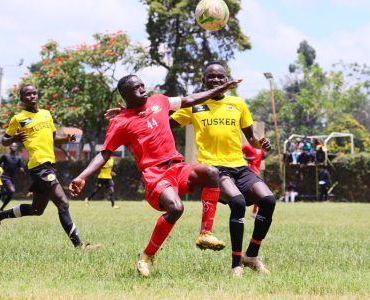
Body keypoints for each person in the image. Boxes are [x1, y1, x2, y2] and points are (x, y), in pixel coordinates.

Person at [70, 74, 241, 277]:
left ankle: (205, 233)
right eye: (136, 88)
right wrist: (83, 176)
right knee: (176, 208)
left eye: (143, 84)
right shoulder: (120, 122)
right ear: (125, 95)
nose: (143, 89)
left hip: (178, 166)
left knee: (211, 172)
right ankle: (147, 256)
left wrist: (219, 90)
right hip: (155, 174)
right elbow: (104, 153)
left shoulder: (159, 100)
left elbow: (189, 100)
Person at [169, 61, 276, 278]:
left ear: (226, 79)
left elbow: (252, 137)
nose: (216, 80)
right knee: (237, 203)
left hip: (239, 165)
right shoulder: (194, 105)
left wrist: (260, 143)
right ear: (204, 80)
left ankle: (251, 256)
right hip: (214, 169)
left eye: (220, 76)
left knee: (268, 201)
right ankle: (236, 264)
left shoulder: (237, 103)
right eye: (211, 76)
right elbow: (167, 123)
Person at [0, 84, 99, 250]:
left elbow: (53, 138)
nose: (32, 96)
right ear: (22, 99)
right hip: (39, 166)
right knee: (63, 203)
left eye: (34, 93)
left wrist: (67, 140)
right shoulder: (18, 118)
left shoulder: (46, 114)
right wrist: (14, 138)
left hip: (48, 165)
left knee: (36, 209)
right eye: (27, 94)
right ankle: (80, 246)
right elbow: (4, 140)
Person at [0, 142, 25, 211]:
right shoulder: (5, 156)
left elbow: (21, 167)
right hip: (5, 177)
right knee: (12, 190)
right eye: (12, 146)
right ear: (10, 147)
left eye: (15, 146)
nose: (14, 147)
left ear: (17, 148)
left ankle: (1, 208)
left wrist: (22, 170)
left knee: (10, 195)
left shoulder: (18, 158)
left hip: (12, 179)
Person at [242, 143, 267, 218]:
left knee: (258, 194)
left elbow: (263, 157)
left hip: (257, 172)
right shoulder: (247, 146)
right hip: (248, 172)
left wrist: (265, 150)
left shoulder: (260, 148)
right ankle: (241, 211)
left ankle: (255, 212)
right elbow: (237, 155)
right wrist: (248, 158)